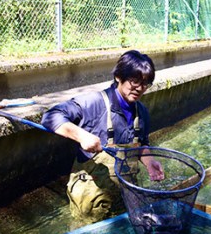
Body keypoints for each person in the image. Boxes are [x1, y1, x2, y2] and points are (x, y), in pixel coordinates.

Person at [42, 50, 164, 222]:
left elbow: (142, 144)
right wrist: (81, 135)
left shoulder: (141, 112)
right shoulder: (93, 103)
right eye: (135, 81)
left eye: (145, 83)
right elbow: (50, 116)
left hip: (125, 193)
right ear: (118, 77)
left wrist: (150, 162)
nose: (140, 88)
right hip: (92, 198)